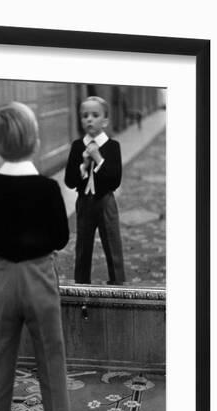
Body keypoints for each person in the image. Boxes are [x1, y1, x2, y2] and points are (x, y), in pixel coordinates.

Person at [0, 102, 80, 411]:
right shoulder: (48, 188)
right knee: (52, 358)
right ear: (34, 141)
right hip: (40, 278)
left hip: (3, 280)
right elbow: (62, 238)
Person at [65, 96, 125, 285]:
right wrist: (82, 166)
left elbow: (114, 181)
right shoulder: (77, 146)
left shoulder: (113, 147)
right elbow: (69, 181)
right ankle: (82, 285)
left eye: (95, 115)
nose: (89, 119)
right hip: (84, 202)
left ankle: (117, 284)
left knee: (112, 245)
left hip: (106, 202)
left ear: (105, 121)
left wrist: (98, 159)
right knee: (82, 247)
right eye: (85, 116)